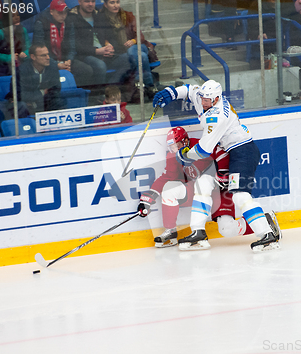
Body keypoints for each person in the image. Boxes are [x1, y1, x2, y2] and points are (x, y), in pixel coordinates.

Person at [152, 80, 282, 252]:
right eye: (203, 99)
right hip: (232, 151)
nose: (203, 102)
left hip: (242, 152)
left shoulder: (217, 116)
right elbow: (190, 90)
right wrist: (170, 93)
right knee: (203, 183)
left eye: (207, 100)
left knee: (240, 196)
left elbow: (204, 150)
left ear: (216, 99)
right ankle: (198, 232)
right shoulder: (204, 97)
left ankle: (267, 234)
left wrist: (185, 155)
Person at [137, 126, 266, 248]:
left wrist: (222, 174)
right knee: (170, 188)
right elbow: (167, 176)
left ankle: (266, 222)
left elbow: (221, 153)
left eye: (177, 146)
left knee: (227, 229)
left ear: (186, 141)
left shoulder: (200, 146)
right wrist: (147, 199)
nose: (174, 150)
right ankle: (172, 232)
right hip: (197, 190)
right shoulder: (173, 155)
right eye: (171, 147)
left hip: (219, 192)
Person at [96, 0, 158, 97]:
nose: (116, 5)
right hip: (122, 54)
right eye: (112, 3)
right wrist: (106, 43)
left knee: (133, 51)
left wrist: (133, 41)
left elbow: (141, 37)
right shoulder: (102, 19)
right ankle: (149, 85)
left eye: (117, 2)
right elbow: (101, 37)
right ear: (105, 5)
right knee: (140, 56)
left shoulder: (128, 16)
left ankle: (139, 82)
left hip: (139, 46)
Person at [33, 0, 94, 87]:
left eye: (65, 13)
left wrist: (68, 61)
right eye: (59, 13)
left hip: (65, 60)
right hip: (47, 61)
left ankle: (74, 91)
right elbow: (39, 50)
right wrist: (56, 65)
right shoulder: (41, 23)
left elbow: (72, 47)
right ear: (51, 12)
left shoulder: (68, 22)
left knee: (87, 70)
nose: (63, 16)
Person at [68, 0, 130, 85]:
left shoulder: (100, 16)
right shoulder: (72, 18)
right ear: (80, 2)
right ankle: (99, 95)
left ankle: (111, 89)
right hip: (85, 56)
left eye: (93, 1)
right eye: (87, 1)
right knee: (100, 65)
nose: (90, 4)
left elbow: (111, 37)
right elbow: (75, 45)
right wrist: (96, 51)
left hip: (105, 54)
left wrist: (110, 47)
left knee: (128, 58)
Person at [8, 43, 66, 114]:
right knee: (21, 106)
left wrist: (36, 99)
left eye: (48, 54)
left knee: (59, 101)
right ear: (33, 57)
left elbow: (56, 90)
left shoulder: (52, 67)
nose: (48, 57)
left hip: (45, 101)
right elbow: (18, 94)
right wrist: (42, 92)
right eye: (43, 55)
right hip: (26, 104)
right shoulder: (21, 71)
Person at [0, 10, 30, 77]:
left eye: (18, 15)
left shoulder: (23, 30)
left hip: (22, 64)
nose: (17, 18)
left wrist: (25, 54)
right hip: (3, 67)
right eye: (13, 16)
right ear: (7, 18)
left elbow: (30, 49)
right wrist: (9, 57)